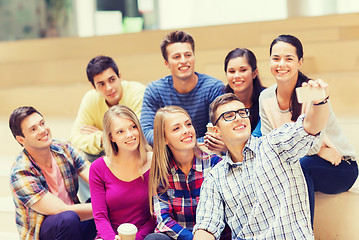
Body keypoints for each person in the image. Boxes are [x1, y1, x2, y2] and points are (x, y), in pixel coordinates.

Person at [193, 88, 330, 239]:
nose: (238, 118)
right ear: (216, 131)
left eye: (242, 112)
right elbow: (206, 226)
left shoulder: (274, 144)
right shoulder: (215, 177)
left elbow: (311, 126)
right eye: (229, 116)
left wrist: (320, 101)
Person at [259, 34, 358, 224]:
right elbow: (268, 143)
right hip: (299, 164)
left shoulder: (312, 92)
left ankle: (304, 234)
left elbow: (310, 143)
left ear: (300, 62)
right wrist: (319, 150)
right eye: (276, 58)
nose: (281, 64)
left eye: (289, 59)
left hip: (341, 167)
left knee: (300, 166)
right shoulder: (265, 97)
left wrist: (316, 149)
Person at [9, 106, 96, 240]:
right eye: (33, 129)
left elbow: (96, 179)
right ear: (21, 139)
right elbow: (60, 210)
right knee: (68, 218)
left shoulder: (64, 148)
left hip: (73, 224)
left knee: (100, 198)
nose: (43, 130)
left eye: (42, 123)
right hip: (47, 231)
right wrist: (104, 206)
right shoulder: (21, 173)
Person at [70, 55, 146, 202]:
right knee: (76, 157)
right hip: (107, 150)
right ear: (93, 87)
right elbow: (75, 138)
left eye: (112, 80)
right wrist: (102, 137)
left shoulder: (137, 92)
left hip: (134, 149)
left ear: (119, 77)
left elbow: (140, 132)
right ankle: (95, 203)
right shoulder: (90, 99)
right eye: (101, 84)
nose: (109, 88)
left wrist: (106, 134)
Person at [145, 106, 223, 240]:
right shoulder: (162, 173)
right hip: (182, 237)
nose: (186, 131)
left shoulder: (215, 165)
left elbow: (221, 215)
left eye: (188, 124)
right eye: (176, 128)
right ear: (164, 139)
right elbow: (163, 219)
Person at [140, 30, 225, 151]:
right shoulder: (155, 90)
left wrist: (184, 142)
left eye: (188, 55)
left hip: (206, 153)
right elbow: (146, 131)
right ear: (166, 63)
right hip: (169, 154)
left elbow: (217, 130)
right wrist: (177, 142)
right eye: (176, 57)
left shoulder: (214, 88)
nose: (184, 60)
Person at [89, 105, 155, 240]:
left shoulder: (154, 160)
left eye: (133, 127)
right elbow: (100, 216)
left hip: (146, 236)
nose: (130, 135)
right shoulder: (98, 168)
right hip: (109, 237)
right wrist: (112, 238)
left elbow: (157, 214)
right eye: (120, 131)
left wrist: (136, 238)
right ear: (111, 137)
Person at [221, 48, 265, 137]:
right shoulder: (221, 103)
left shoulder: (266, 98)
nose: (237, 76)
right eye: (232, 71)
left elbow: (258, 136)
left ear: (254, 73)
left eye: (243, 70)